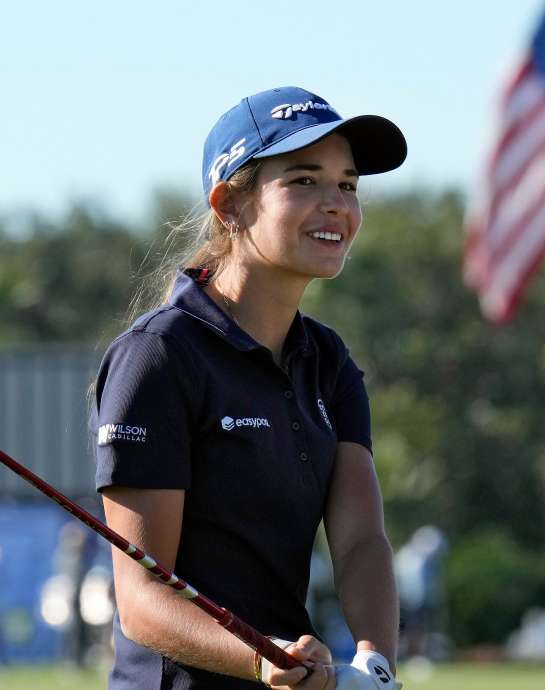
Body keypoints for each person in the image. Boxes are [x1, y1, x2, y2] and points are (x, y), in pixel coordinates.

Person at [92, 86, 406, 690]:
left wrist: (376, 665)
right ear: (229, 205)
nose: (336, 204)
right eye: (305, 181)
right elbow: (141, 599)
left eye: (348, 185)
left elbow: (362, 541)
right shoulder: (156, 357)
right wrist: (260, 658)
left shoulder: (329, 362)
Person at [394, 526, 448, 661]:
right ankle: (413, 657)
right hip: (408, 601)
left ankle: (415, 656)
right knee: (412, 630)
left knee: (418, 630)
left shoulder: (418, 559)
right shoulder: (407, 556)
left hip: (417, 600)